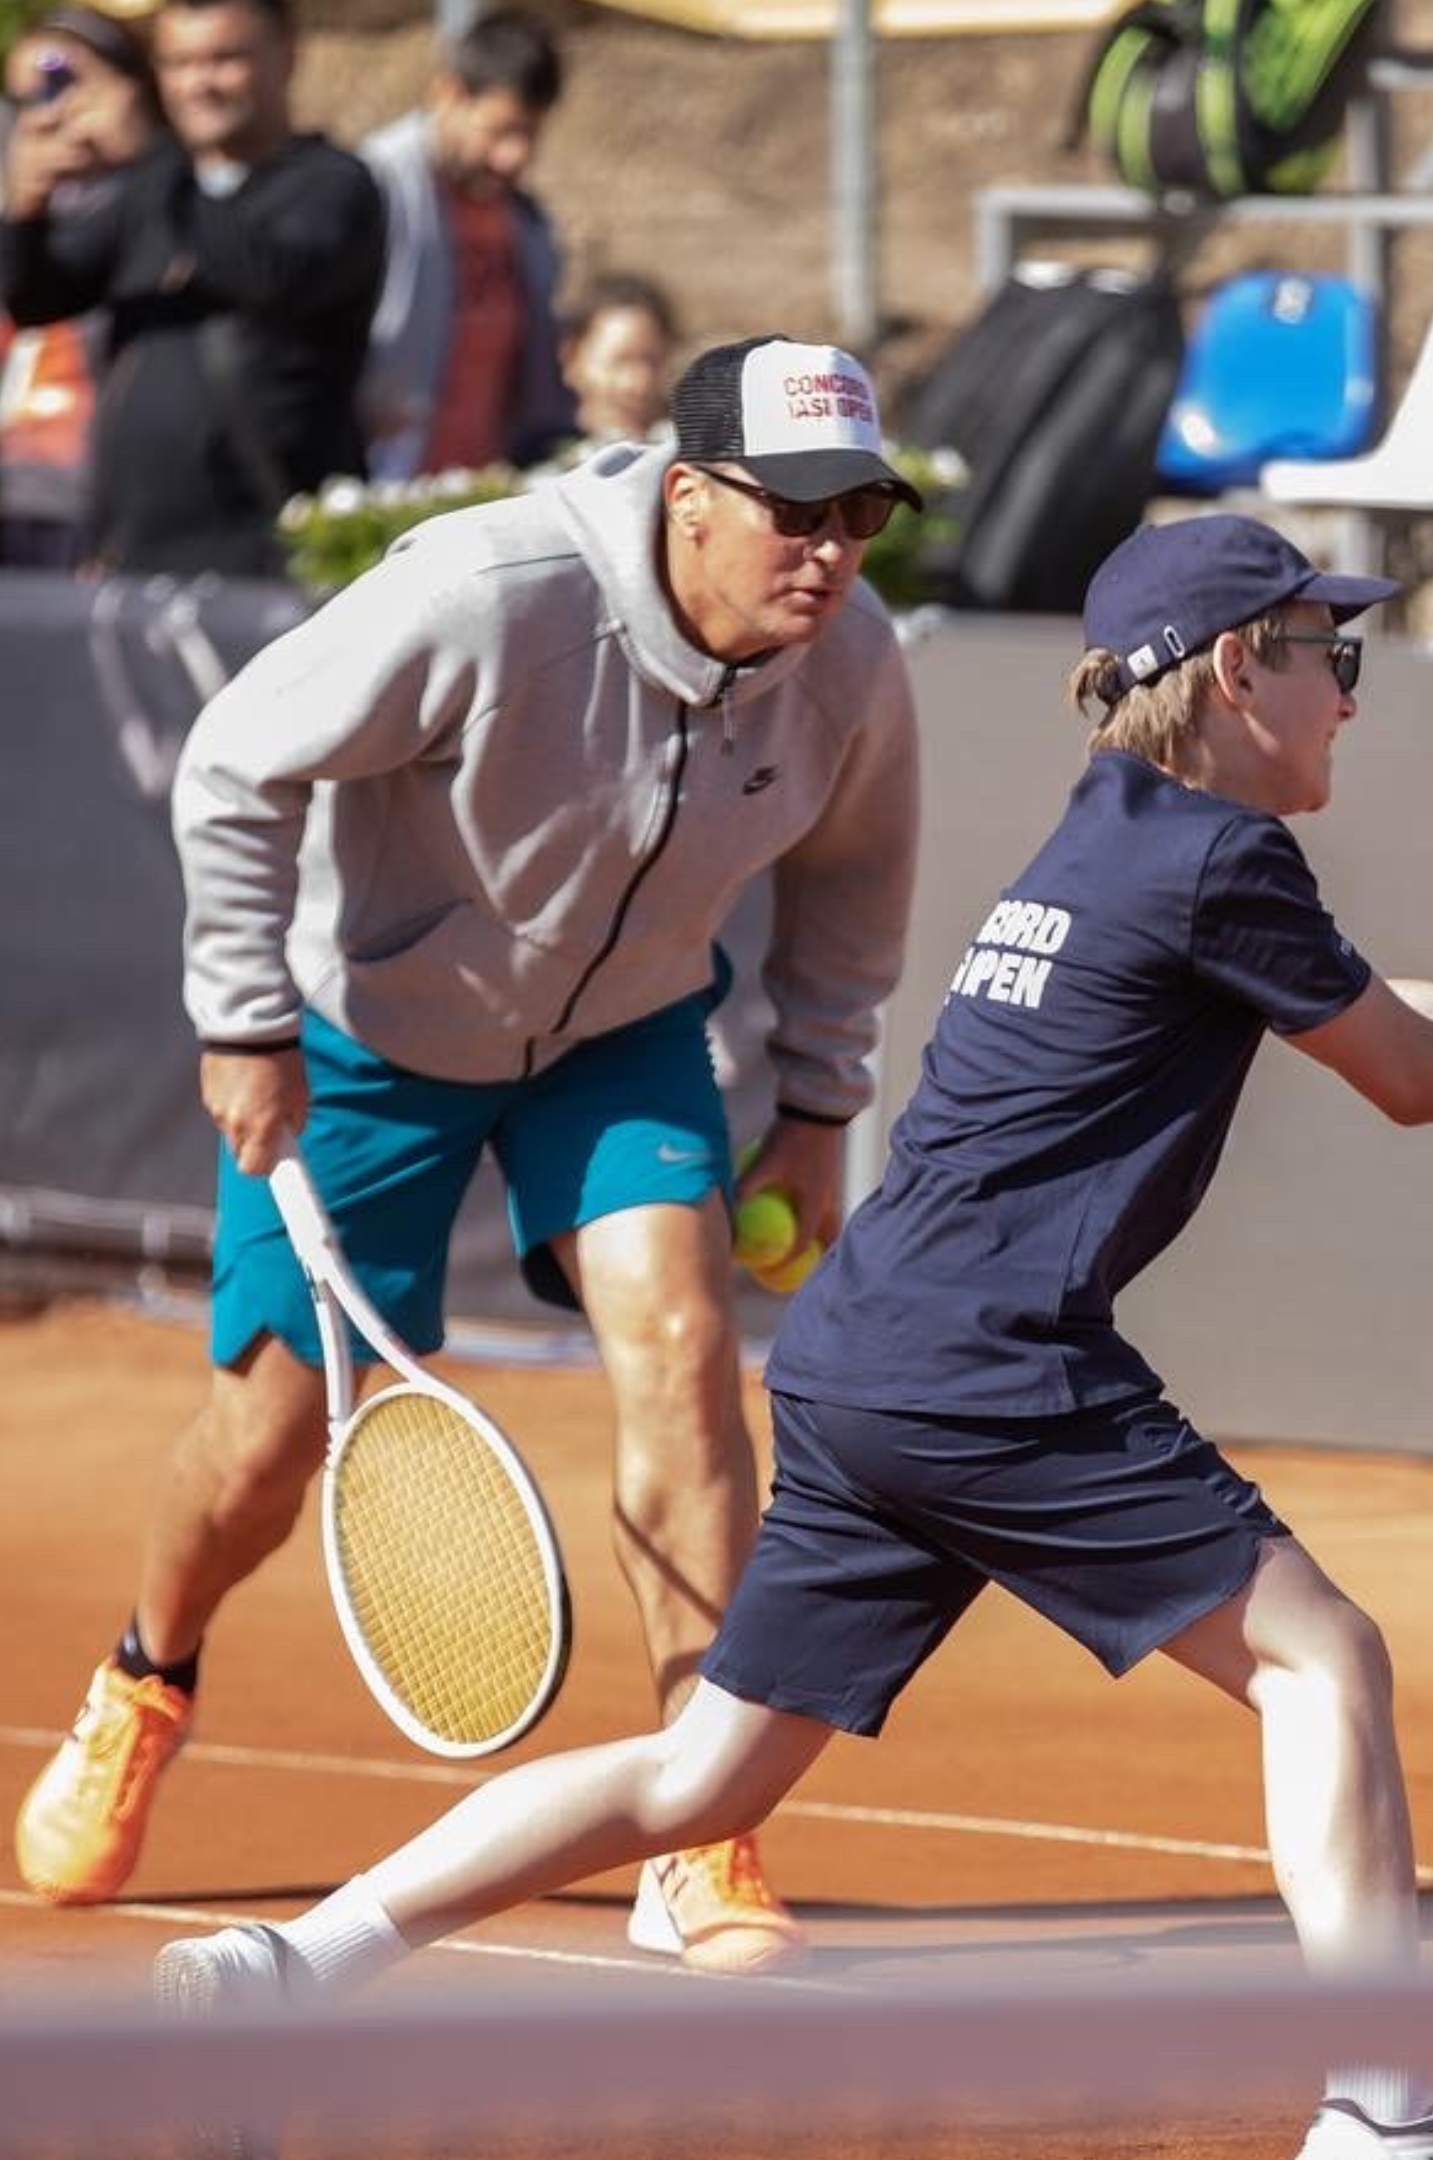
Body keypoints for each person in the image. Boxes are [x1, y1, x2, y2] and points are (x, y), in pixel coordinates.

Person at [145, 510, 1433, 2159]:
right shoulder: (1218, 859)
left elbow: (1389, 1010)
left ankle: (289, 1965)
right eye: (1324, 656)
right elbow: (1411, 1078)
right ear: (1229, 674)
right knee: (1320, 1657)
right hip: (997, 1362)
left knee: (701, 1782)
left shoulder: (1117, 825)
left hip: (859, 1362)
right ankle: (1389, 2118)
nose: (1349, 695)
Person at [14, 332, 925, 1980]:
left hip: (624, 1036)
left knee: (684, 1340)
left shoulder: (851, 664)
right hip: (367, 1038)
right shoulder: (492, 589)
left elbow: (855, 885)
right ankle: (148, 1675)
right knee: (268, 1442)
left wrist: (815, 1107)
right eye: (796, 513)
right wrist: (244, 1023)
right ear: (694, 494)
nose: (832, 552)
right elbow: (234, 760)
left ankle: (699, 1826)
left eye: (860, 512)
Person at [0, 0, 384, 578]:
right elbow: (37, 299)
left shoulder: (333, 184)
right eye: (178, 65)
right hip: (134, 555)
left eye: (223, 59)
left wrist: (152, 153)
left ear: (288, 55)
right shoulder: (157, 193)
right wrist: (25, 207)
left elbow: (266, 273)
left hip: (270, 560)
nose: (198, 84)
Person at [359, 5, 575, 482]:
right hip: (385, 490)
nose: (513, 156)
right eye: (499, 132)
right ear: (448, 95)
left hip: (484, 491)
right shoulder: (374, 190)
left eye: (529, 135)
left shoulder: (524, 222)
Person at [0, 3, 165, 567]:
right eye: (27, 99)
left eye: (68, 85)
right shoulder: (20, 199)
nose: (53, 114)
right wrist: (24, 204)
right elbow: (27, 300)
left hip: (93, 495)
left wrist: (138, 155)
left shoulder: (159, 198)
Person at [558, 267, 678, 448]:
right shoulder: (535, 461)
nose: (638, 384)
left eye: (652, 361)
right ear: (572, 359)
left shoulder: (685, 455)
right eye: (620, 362)